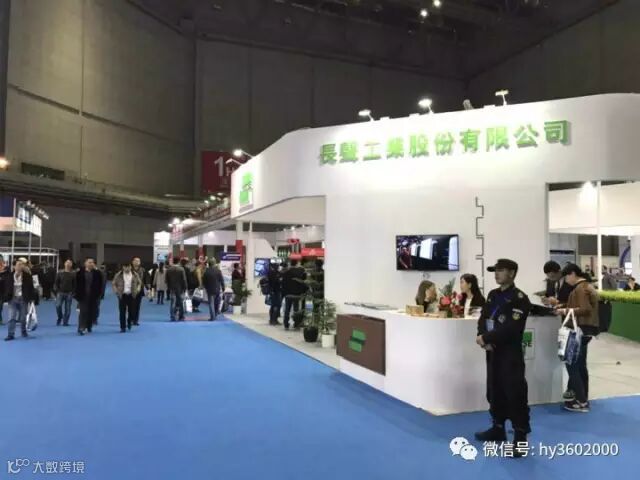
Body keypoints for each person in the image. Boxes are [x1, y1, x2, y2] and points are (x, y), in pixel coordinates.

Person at [475, 259, 531, 457]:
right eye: (495, 271)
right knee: (494, 390)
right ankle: (498, 427)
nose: (496, 274)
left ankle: (520, 438)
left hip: (510, 353)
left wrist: (487, 338)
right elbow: (483, 318)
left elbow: (511, 329)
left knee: (514, 393)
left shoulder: (519, 298)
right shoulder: (493, 295)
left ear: (512, 273)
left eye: (501, 270)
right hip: (492, 351)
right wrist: (482, 337)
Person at [555, 264, 600, 412]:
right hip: (586, 329)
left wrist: (564, 310)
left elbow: (585, 309)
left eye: (567, 276)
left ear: (573, 274)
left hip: (580, 329)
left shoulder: (581, 289)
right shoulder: (586, 286)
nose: (566, 280)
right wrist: (563, 306)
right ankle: (581, 398)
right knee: (579, 365)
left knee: (572, 364)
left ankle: (580, 401)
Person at [4, 259, 37, 341]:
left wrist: (32, 299)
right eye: (18, 264)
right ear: (14, 266)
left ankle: (23, 331)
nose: (20, 266)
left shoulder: (27, 276)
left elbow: (31, 288)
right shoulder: (9, 276)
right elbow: (6, 287)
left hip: (23, 299)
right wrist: (5, 297)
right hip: (12, 299)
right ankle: (10, 334)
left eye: (22, 264)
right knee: (12, 317)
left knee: (23, 318)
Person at [74, 257, 103, 336]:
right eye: (89, 262)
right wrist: (75, 293)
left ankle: (89, 326)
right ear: (85, 263)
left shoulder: (97, 273)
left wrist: (100, 294)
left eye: (92, 262)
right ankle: (81, 327)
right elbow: (75, 283)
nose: (91, 264)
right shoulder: (79, 272)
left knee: (91, 312)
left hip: (93, 296)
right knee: (83, 312)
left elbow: (100, 284)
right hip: (82, 295)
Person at [112, 262, 142, 332]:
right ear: (123, 267)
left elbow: (139, 283)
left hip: (132, 295)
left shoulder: (135, 274)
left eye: (128, 267)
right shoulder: (118, 275)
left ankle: (129, 322)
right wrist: (116, 291)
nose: (127, 268)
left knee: (131, 311)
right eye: (125, 267)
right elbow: (114, 283)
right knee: (122, 312)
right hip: (122, 295)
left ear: (131, 267)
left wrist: (138, 289)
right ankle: (122, 327)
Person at [282, 259, 307, 330]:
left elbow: (283, 284)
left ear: (290, 264)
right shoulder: (301, 272)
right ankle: (296, 324)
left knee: (287, 310)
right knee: (296, 310)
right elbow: (304, 283)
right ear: (296, 263)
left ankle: (286, 324)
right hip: (297, 294)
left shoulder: (286, 272)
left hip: (288, 294)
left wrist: (284, 293)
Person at [54, 259, 76, 326]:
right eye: (67, 262)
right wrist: (57, 291)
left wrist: (73, 292)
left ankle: (65, 322)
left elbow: (75, 284)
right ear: (64, 264)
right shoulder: (60, 273)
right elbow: (56, 283)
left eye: (69, 263)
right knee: (58, 306)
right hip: (60, 292)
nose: (68, 264)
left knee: (68, 309)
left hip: (69, 293)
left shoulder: (73, 274)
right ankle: (60, 317)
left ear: (71, 265)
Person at [166, 257, 188, 321]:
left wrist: (169, 287)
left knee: (172, 302)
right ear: (179, 261)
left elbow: (166, 280)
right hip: (180, 288)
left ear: (173, 261)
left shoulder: (169, 269)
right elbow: (184, 280)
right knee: (180, 302)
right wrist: (185, 287)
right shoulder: (181, 269)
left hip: (172, 288)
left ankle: (172, 316)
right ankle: (181, 316)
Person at [131, 257, 148, 326]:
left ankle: (136, 320)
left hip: (139, 290)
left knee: (137, 306)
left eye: (138, 261)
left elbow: (145, 280)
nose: (137, 262)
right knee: (131, 305)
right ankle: (131, 319)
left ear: (140, 262)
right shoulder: (129, 269)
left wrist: (147, 288)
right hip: (131, 290)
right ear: (132, 262)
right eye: (135, 261)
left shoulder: (142, 270)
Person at [0, 256, 9, 325]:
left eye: (1, 260)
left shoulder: (6, 270)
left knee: (0, 306)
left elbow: (8, 281)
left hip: (2, 291)